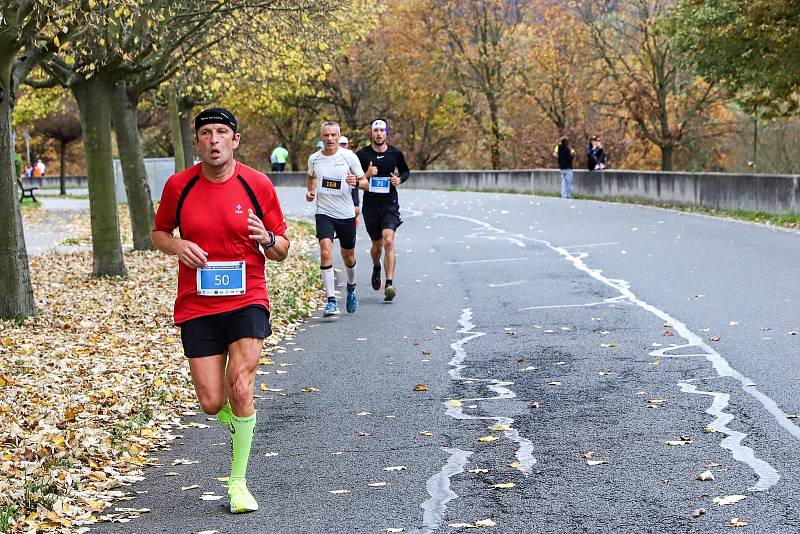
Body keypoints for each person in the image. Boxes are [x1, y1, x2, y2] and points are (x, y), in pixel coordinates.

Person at [152, 108, 290, 514]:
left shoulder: (257, 184)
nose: (214, 140)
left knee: (242, 385)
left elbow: (282, 249)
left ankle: (238, 484)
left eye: (222, 133)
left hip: (248, 295)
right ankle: (236, 417)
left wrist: (266, 237)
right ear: (197, 142)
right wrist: (178, 246)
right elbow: (159, 232)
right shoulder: (179, 186)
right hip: (197, 303)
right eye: (206, 133)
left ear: (235, 140)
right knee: (212, 402)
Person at [306, 122, 366, 316]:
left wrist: (355, 182)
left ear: (339, 137)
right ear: (321, 137)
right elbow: (311, 177)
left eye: (333, 135)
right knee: (325, 252)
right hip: (323, 212)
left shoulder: (349, 157)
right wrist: (311, 191)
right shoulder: (314, 159)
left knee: (348, 256)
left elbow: (365, 183)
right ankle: (331, 300)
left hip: (346, 214)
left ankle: (351, 286)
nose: (330, 139)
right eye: (326, 135)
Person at [356, 119, 410, 302]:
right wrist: (367, 175)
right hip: (371, 206)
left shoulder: (395, 153)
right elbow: (354, 179)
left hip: (390, 204)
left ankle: (389, 284)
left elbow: (405, 171)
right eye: (375, 130)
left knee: (388, 241)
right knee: (377, 245)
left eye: (382, 130)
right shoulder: (362, 155)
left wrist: (399, 180)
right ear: (371, 133)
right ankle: (376, 266)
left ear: (386, 133)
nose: (379, 134)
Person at [339, 136, 362, 220]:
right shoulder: (335, 156)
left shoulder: (352, 156)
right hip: (340, 186)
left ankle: (353, 229)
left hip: (352, 185)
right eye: (341, 144)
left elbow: (359, 172)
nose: (343, 146)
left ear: (347, 145)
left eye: (344, 144)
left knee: (356, 210)